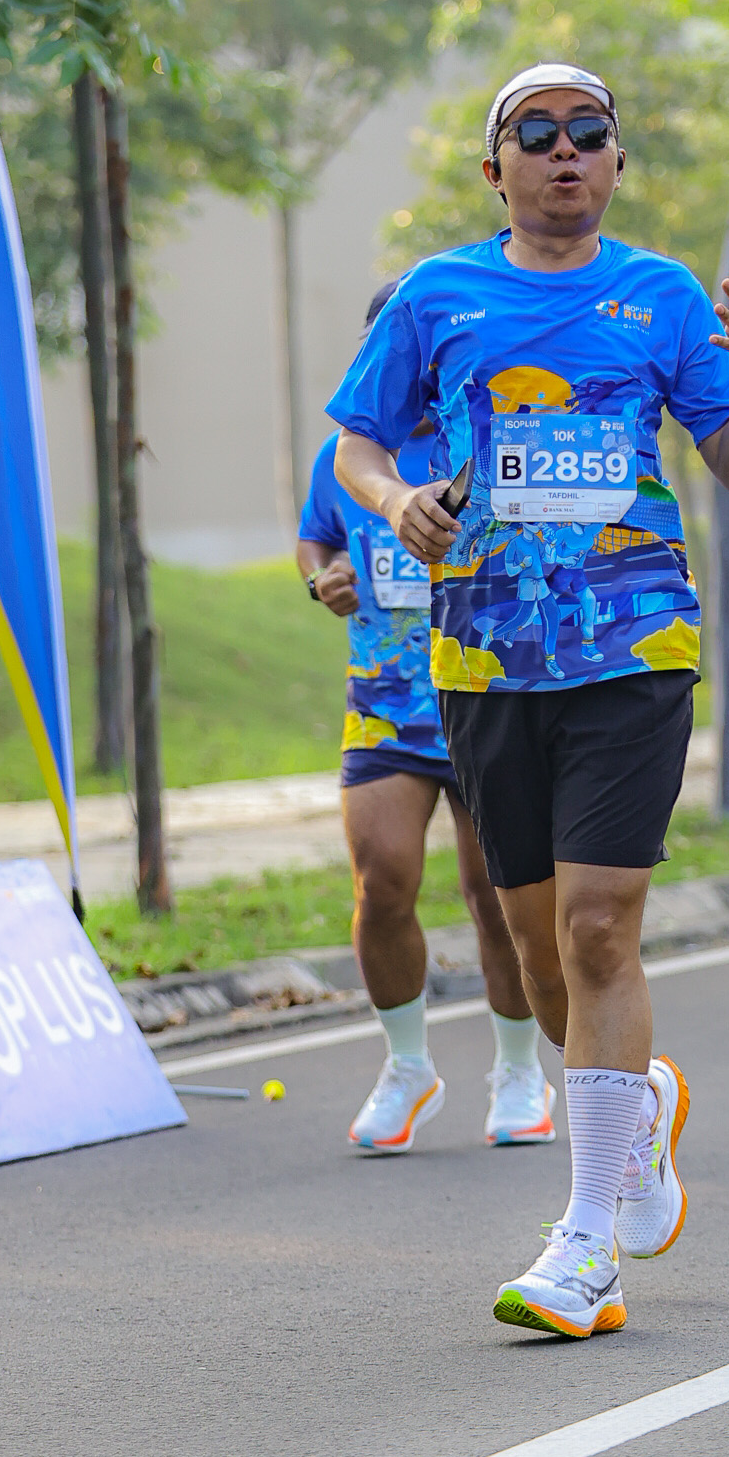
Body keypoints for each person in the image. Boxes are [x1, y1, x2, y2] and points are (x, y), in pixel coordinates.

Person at [329, 62, 729, 1338]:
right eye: (536, 135)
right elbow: (356, 443)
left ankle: (585, 1247)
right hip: (484, 661)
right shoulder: (436, 296)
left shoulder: (662, 296)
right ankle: (634, 1111)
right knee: (535, 955)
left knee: (595, 933)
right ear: (497, 171)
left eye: (589, 133)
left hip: (632, 649)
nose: (565, 151)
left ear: (616, 162)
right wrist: (394, 502)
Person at [298, 283, 556, 1152]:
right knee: (381, 885)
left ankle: (518, 1069)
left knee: (497, 898)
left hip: (486, 695)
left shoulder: (484, 439)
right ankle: (407, 1066)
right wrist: (323, 577)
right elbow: (317, 535)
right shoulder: (347, 454)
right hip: (386, 708)